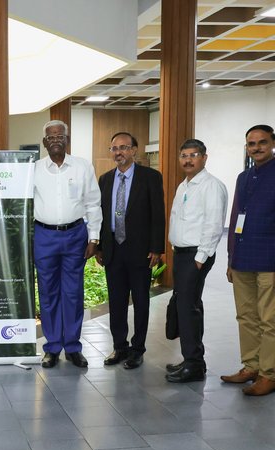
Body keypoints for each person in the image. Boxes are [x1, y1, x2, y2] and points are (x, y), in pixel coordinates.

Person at [34, 120, 102, 369]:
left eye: (60, 136)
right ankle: (52, 347)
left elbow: (93, 203)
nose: (55, 141)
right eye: (50, 137)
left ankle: (72, 347)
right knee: (48, 292)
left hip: (75, 235)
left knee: (73, 293)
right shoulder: (35, 169)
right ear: (44, 143)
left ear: (67, 140)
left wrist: (94, 237)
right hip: (44, 236)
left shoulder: (83, 167)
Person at [97, 132, 165, 370]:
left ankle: (137, 349)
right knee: (116, 302)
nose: (119, 152)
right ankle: (120, 347)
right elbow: (101, 217)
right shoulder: (104, 180)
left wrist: (157, 247)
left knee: (141, 301)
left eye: (124, 147)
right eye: (114, 148)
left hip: (141, 251)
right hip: (113, 249)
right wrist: (99, 247)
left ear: (135, 150)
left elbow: (158, 214)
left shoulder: (151, 177)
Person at [165, 139, 227, 382]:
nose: (188, 160)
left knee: (187, 308)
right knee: (187, 305)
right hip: (183, 254)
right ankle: (192, 360)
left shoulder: (211, 186)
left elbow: (213, 225)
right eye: (184, 155)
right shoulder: (185, 185)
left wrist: (200, 258)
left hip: (195, 255)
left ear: (204, 157)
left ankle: (194, 365)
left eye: (193, 155)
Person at [222, 124, 275, 396]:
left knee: (269, 320)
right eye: (251, 144)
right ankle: (251, 366)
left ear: (272, 143)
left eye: (262, 142)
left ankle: (269, 373)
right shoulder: (244, 177)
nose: (257, 148)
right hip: (243, 258)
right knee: (246, 316)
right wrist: (231, 258)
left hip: (270, 260)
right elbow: (234, 221)